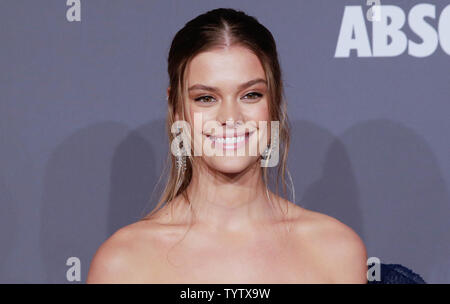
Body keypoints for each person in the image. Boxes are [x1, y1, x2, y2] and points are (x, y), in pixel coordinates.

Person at [86, 8, 367, 284]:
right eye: (206, 98)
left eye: (250, 95)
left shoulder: (334, 251)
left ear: (275, 102)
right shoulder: (123, 263)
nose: (230, 118)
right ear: (176, 108)